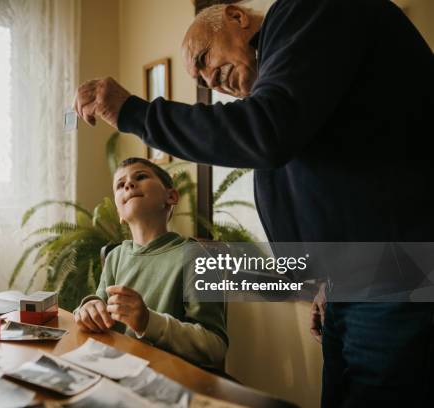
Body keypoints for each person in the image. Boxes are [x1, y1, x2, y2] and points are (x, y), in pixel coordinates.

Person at [73, 0, 434, 406]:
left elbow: (265, 132)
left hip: (397, 273)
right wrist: (324, 279)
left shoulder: (311, 11)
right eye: (202, 80)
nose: (210, 80)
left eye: (204, 58)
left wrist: (133, 112)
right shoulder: (298, 97)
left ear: (237, 17)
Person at [73, 157, 228, 370]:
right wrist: (88, 309)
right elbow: (97, 307)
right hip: (115, 371)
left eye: (141, 176)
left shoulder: (198, 258)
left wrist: (149, 322)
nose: (128, 184)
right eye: (120, 185)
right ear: (119, 213)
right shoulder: (115, 257)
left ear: (171, 196)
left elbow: (215, 346)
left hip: (168, 378)